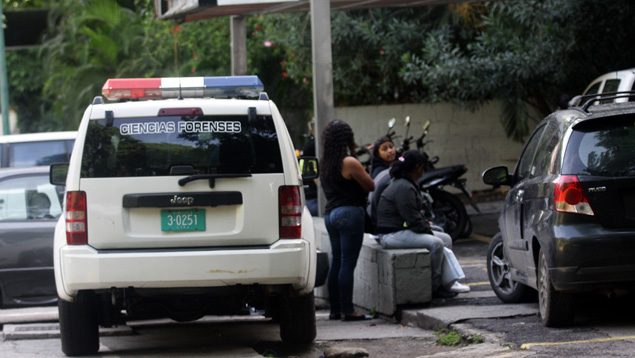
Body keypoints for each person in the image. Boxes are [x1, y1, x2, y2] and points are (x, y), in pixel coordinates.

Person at [376, 150, 469, 298]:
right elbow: (413, 220)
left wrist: (427, 226)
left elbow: (413, 217)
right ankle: (434, 286)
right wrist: (427, 229)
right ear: (418, 167)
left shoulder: (406, 184)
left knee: (446, 238)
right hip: (390, 235)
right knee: (437, 244)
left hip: (400, 230)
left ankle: (448, 282)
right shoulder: (403, 187)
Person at [320, 120, 375, 321]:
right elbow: (371, 186)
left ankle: (336, 310)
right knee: (347, 264)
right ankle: (349, 310)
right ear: (347, 138)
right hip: (349, 214)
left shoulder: (325, 163)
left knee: (337, 262)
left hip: (330, 215)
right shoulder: (350, 162)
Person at [302, 136, 318, 216]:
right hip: (315, 201)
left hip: (305, 202)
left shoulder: (300, 161)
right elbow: (319, 184)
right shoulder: (314, 163)